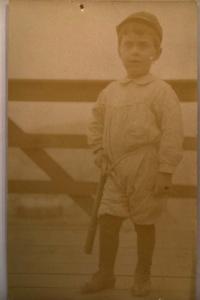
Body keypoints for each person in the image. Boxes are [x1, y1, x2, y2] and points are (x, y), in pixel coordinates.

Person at [82, 11, 183, 297]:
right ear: (119, 49)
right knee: (108, 219)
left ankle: (142, 276)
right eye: (129, 45)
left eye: (143, 45)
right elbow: (96, 122)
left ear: (156, 53)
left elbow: (173, 132)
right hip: (113, 169)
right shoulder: (111, 92)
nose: (135, 51)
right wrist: (99, 150)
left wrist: (165, 169)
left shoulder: (161, 91)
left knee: (144, 221)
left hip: (146, 168)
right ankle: (105, 274)